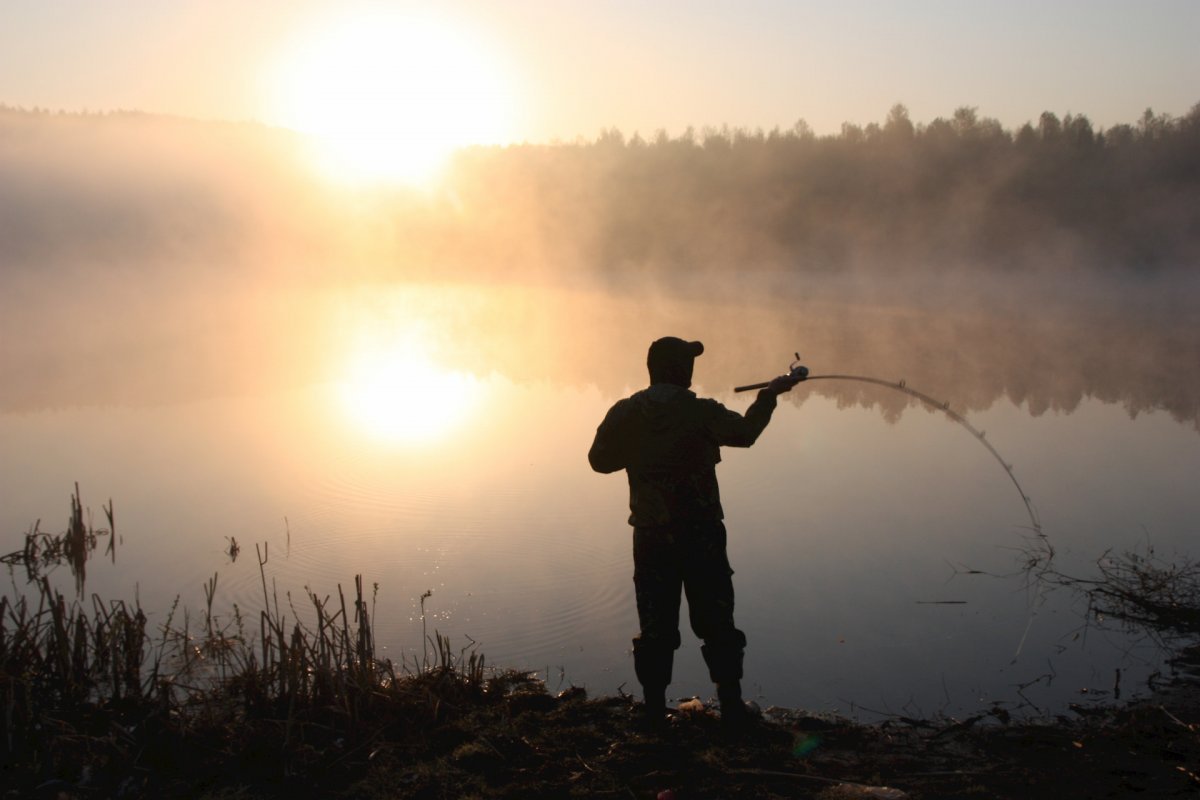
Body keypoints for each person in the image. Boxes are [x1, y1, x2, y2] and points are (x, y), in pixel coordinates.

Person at [587, 336, 802, 727]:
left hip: (651, 537)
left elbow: (599, 461)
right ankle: (732, 709)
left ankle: (654, 711)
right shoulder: (702, 412)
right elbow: (746, 433)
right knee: (717, 621)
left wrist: (642, 451)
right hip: (701, 535)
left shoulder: (625, 412)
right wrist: (770, 394)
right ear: (682, 371)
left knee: (656, 624)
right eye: (689, 363)